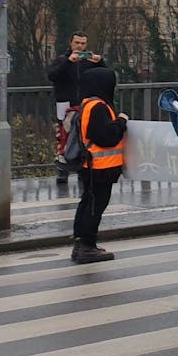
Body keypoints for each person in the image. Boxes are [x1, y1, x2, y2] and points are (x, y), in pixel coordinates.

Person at [71, 67, 128, 263]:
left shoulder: (87, 103)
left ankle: (81, 244)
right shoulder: (99, 107)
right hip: (101, 166)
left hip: (91, 165)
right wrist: (121, 121)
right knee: (95, 206)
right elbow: (106, 137)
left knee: (87, 202)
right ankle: (87, 245)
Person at [46, 32, 106, 185]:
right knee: (63, 137)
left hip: (84, 103)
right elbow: (52, 76)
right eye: (77, 43)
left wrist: (100, 61)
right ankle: (63, 170)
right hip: (65, 103)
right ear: (71, 43)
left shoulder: (88, 61)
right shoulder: (61, 60)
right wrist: (68, 62)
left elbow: (105, 75)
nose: (80, 46)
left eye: (83, 43)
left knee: (83, 137)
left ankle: (82, 169)